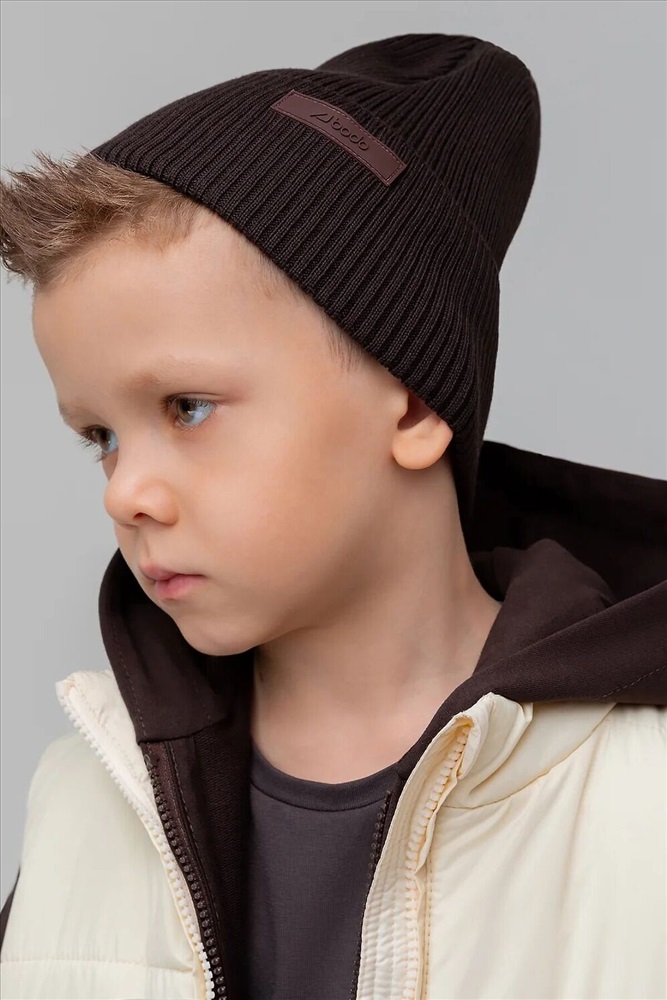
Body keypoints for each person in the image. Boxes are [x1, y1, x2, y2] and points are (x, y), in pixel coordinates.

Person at [0, 31, 665, 1000]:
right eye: (99, 435)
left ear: (412, 406)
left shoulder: (643, 803)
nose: (124, 492)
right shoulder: (84, 795)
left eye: (187, 408)